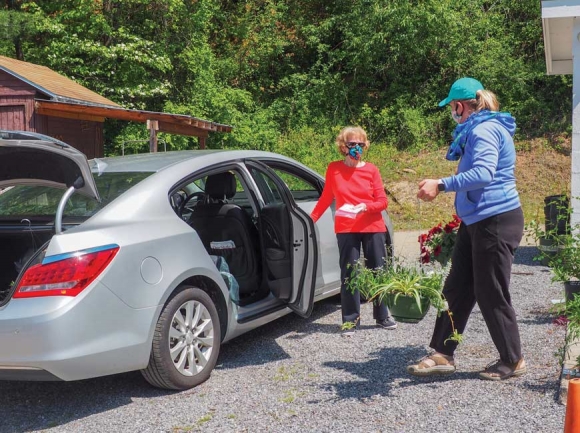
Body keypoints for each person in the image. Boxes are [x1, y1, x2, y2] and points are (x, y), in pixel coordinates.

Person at [407, 77, 526, 380]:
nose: (450, 112)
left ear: (460, 106)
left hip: (496, 221)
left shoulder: (484, 130)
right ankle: (443, 352)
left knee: (491, 291)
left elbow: (483, 173)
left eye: (450, 107)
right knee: (457, 287)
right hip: (477, 221)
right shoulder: (481, 128)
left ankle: (512, 360)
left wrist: (442, 184)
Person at [310, 126, 396, 336]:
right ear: (343, 146)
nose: (357, 148)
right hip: (346, 227)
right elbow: (326, 198)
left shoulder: (371, 170)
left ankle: (382, 315)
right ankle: (350, 320)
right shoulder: (334, 169)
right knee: (349, 273)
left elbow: (382, 201)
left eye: (361, 144)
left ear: (365, 146)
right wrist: (310, 219)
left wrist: (366, 207)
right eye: (352, 144)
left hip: (372, 225)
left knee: (378, 270)